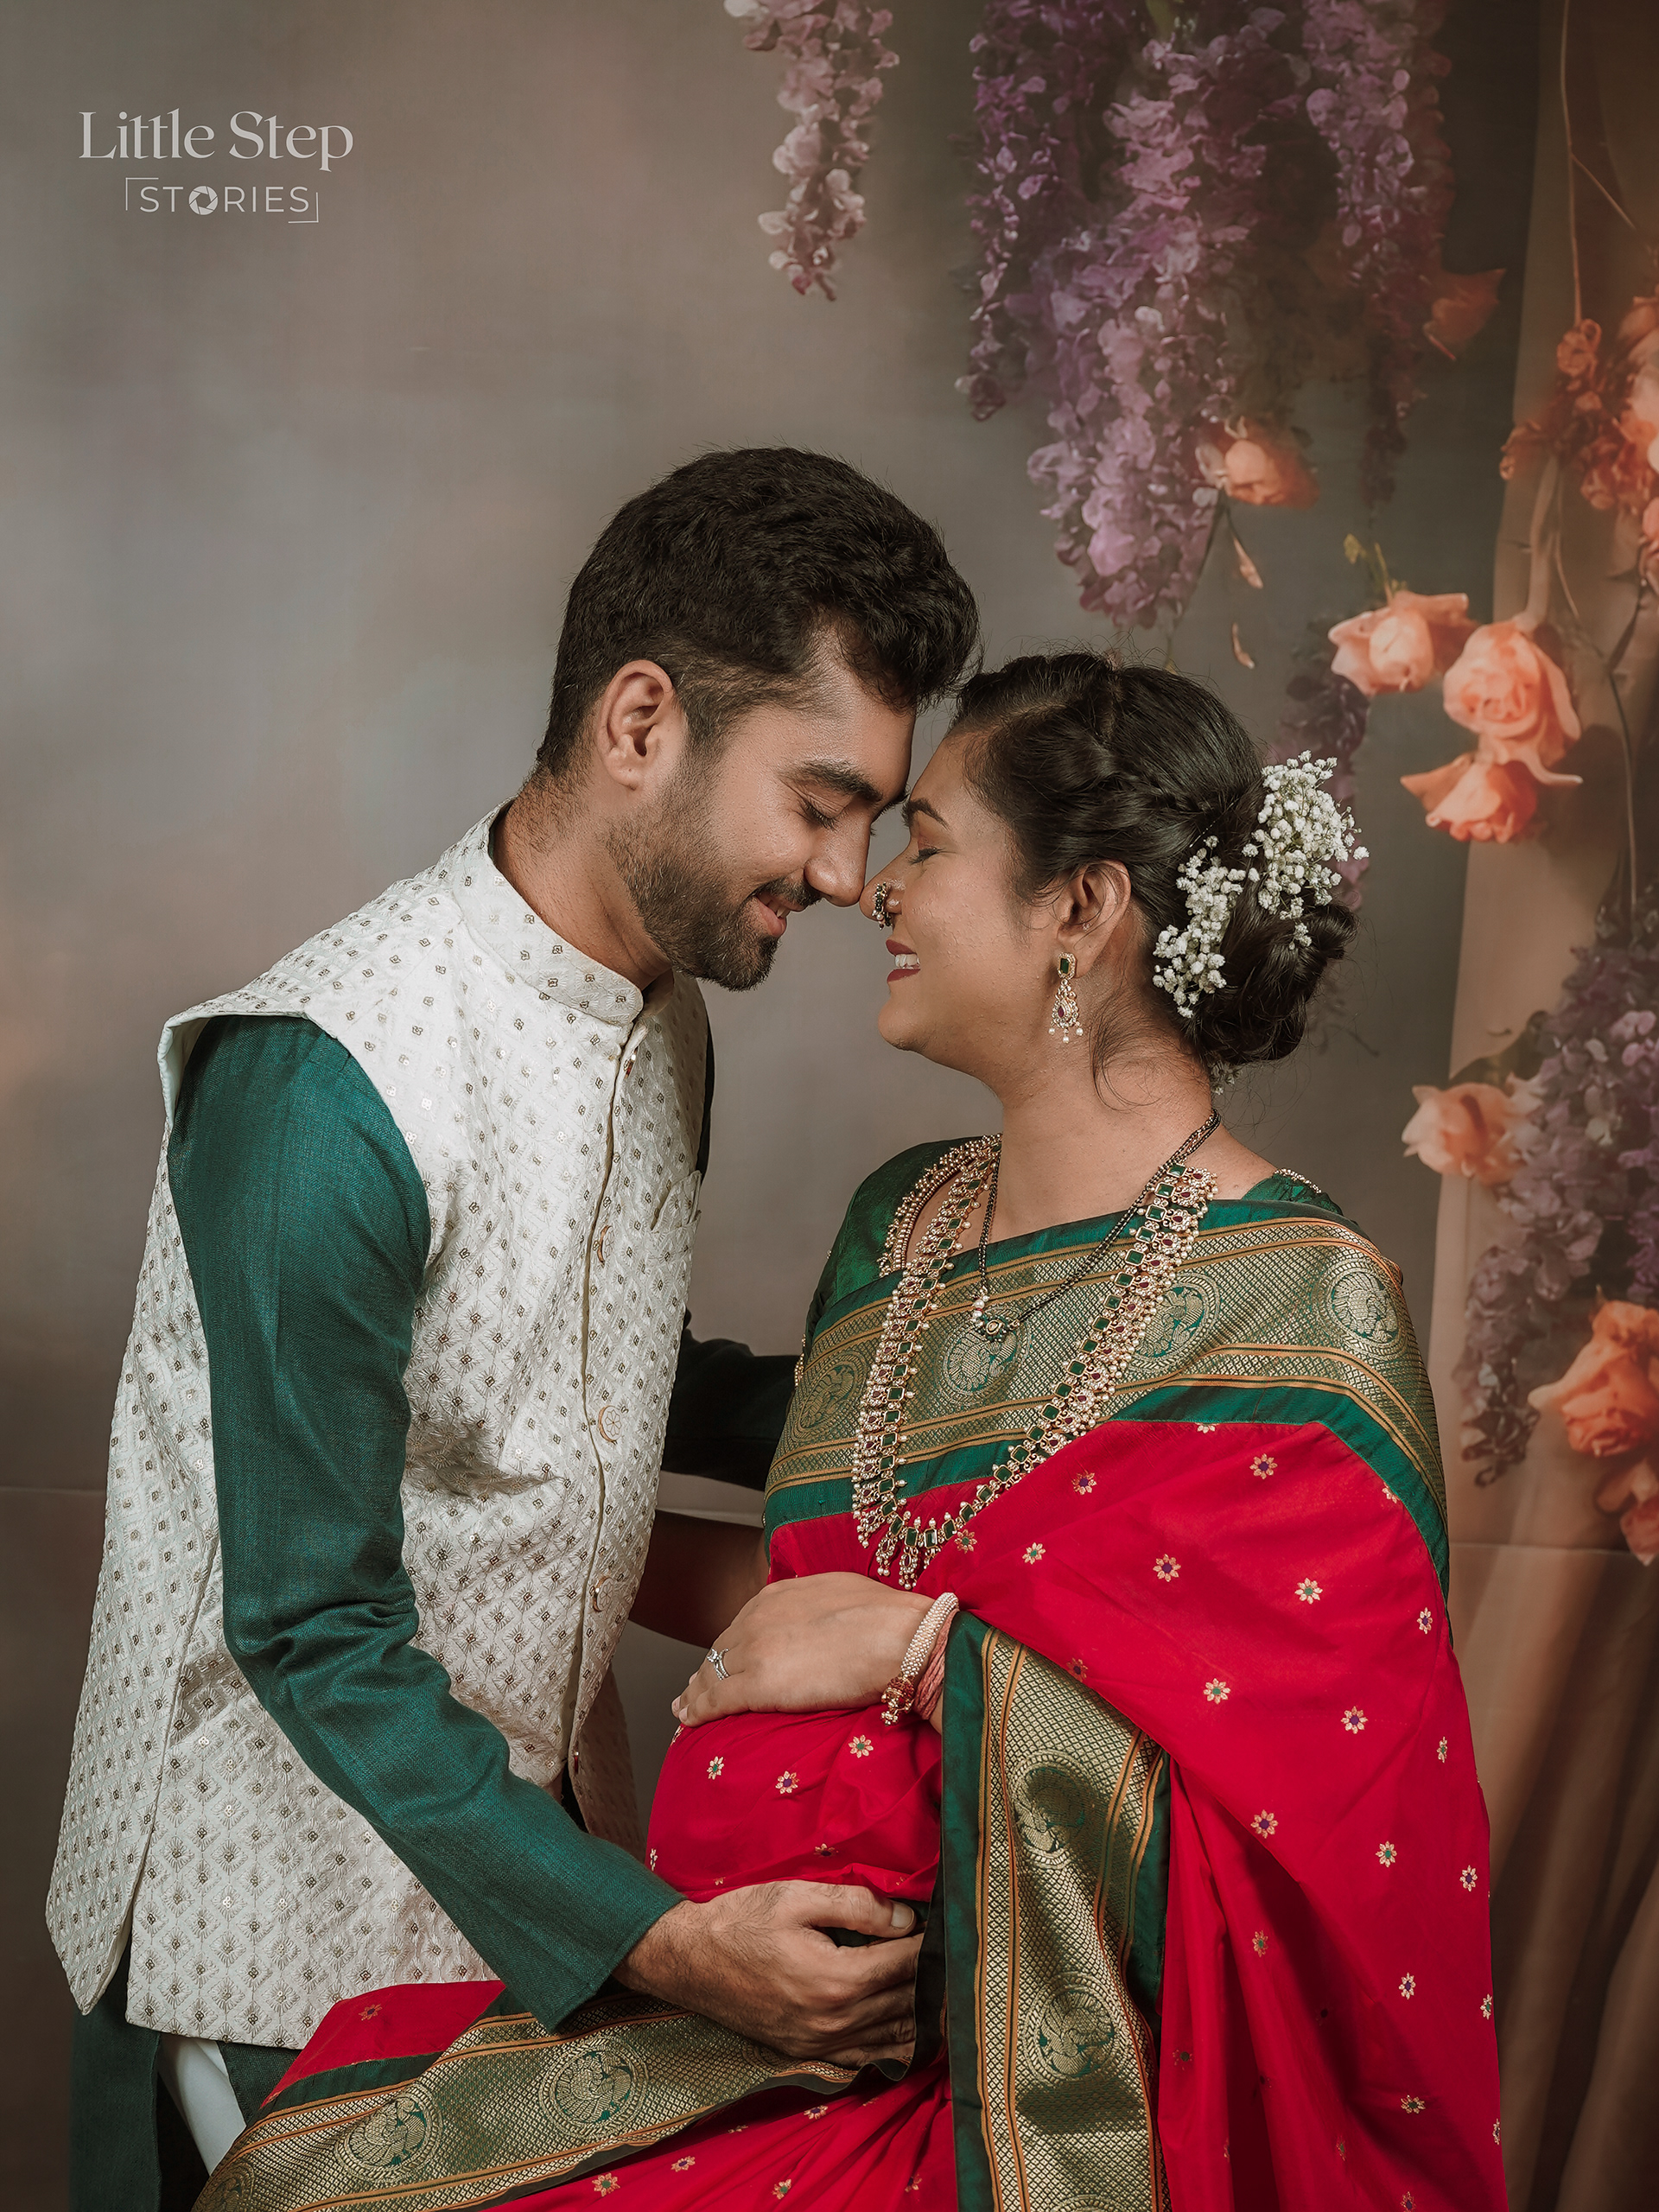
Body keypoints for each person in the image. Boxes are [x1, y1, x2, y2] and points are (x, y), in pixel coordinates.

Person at [185, 654, 1504, 2212]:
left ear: (1082, 909)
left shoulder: (1298, 1301)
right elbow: (828, 1586)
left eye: (928, 843)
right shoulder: (903, 1226)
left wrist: (925, 1652)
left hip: (1040, 2084)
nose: (875, 886)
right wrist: (428, 1506)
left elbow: (1320, 1835)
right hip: (748, 2015)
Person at [48, 446, 981, 2210]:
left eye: (874, 817)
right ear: (641, 722)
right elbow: (311, 1625)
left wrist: (959, 1415)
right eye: (820, 800)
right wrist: (666, 1941)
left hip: (507, 1891)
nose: (850, 872)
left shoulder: (665, 1016)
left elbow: (592, 1368)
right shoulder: (325, 1081)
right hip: (267, 1933)